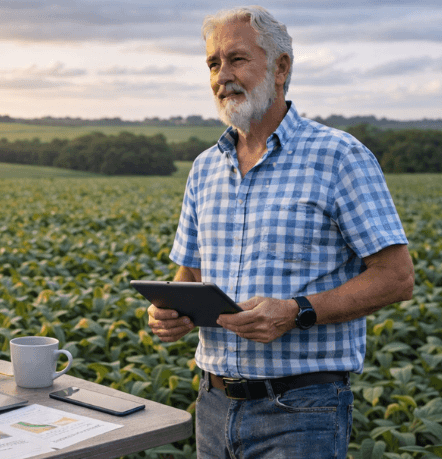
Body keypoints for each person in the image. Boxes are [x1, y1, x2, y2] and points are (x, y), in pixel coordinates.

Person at [147, 6, 415, 459]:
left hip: (301, 410)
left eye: (237, 60)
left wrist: (295, 311)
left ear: (281, 68)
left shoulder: (338, 155)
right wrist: (170, 312)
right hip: (212, 405)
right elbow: (187, 275)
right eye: (213, 63)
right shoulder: (204, 168)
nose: (222, 76)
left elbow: (396, 277)